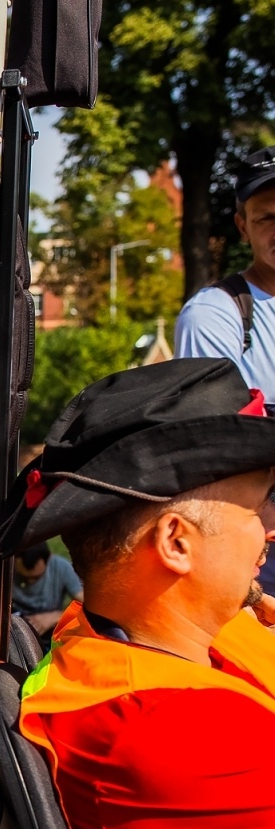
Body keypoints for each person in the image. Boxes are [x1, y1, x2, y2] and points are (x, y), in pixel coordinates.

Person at [5, 358, 275, 829]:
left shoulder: (117, 634)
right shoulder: (162, 729)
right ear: (176, 541)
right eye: (258, 505)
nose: (269, 529)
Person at [176, 146, 275, 593]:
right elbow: (217, 443)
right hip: (260, 543)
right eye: (267, 218)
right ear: (242, 227)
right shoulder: (215, 314)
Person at [11, 541, 82, 648]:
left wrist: (55, 617)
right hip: (14, 635)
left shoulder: (61, 568)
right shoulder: (7, 569)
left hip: (49, 636)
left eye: (36, 577)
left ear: (49, 557)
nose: (30, 582)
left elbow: (88, 606)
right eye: (24, 577)